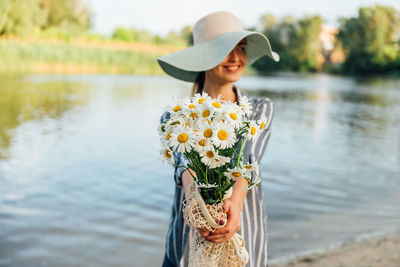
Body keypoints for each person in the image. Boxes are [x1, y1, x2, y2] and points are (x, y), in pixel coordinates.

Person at [158, 11, 279, 267]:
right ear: (204, 57)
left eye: (242, 48)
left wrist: (234, 204)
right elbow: (183, 164)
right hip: (189, 236)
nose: (236, 58)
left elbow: (249, 159)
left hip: (244, 231)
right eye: (226, 49)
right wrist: (196, 205)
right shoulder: (175, 116)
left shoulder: (259, 109)